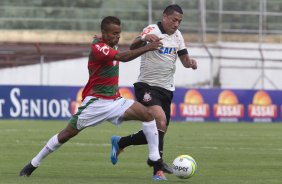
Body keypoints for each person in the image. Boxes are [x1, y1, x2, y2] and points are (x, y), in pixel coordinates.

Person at [19, 16, 173, 178]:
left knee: (149, 116)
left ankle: (154, 159)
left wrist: (143, 38)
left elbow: (130, 46)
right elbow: (122, 57)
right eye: (114, 34)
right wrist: (148, 48)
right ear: (104, 33)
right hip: (95, 103)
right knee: (66, 134)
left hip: (115, 101)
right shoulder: (99, 48)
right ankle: (33, 163)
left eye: (119, 33)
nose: (117, 37)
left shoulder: (109, 42)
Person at [110, 4, 197, 181]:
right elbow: (133, 46)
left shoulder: (178, 36)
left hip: (166, 89)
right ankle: (158, 170)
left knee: (159, 130)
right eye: (174, 20)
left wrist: (191, 63)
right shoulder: (152, 29)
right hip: (147, 86)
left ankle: (121, 142)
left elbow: (184, 60)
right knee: (160, 120)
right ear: (165, 17)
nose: (177, 24)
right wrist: (143, 38)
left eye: (179, 21)